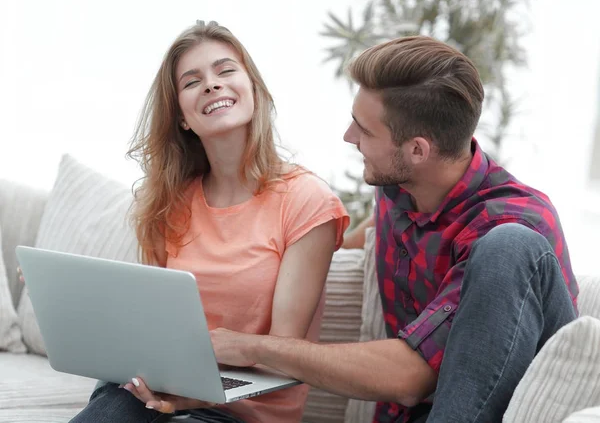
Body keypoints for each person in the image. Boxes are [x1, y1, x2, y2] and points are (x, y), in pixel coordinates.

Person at [209, 36, 579, 423]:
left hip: (494, 410)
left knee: (511, 245)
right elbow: (365, 237)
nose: (349, 138)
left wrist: (256, 349)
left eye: (364, 130)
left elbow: (410, 377)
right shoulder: (397, 186)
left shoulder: (510, 225)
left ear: (417, 151)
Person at [66, 21, 349, 423]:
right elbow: (148, 325)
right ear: (181, 116)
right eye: (192, 81)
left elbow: (284, 354)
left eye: (226, 70)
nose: (213, 85)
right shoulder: (169, 203)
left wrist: (198, 395)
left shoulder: (306, 200)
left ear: (254, 89)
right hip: (153, 391)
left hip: (240, 412)